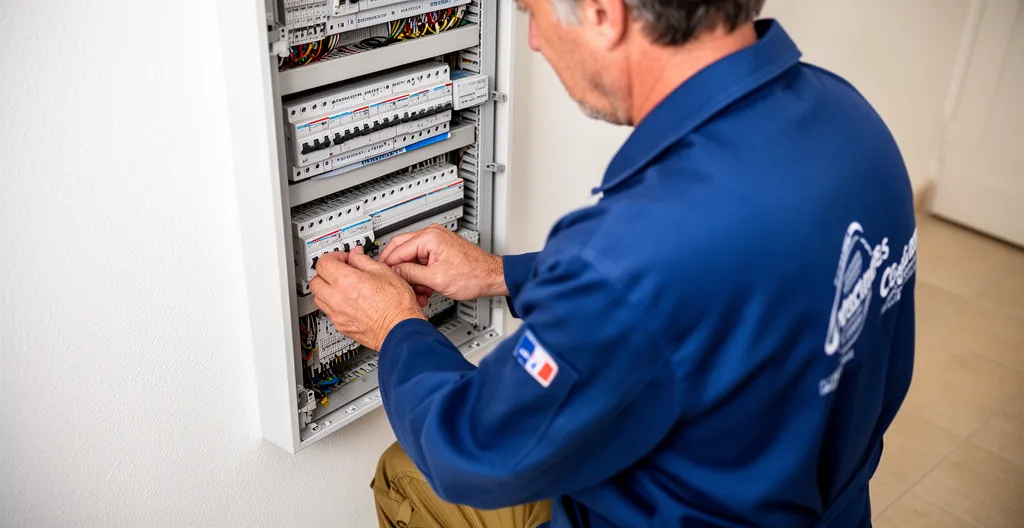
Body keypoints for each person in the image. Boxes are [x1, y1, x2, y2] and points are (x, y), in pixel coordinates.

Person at [307, 0, 917, 525]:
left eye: (534, 14)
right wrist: (499, 274)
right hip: (828, 504)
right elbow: (714, 287)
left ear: (604, 14)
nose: (536, 40)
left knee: (405, 473)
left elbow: (470, 455)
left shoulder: (635, 256)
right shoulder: (849, 120)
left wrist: (392, 327)